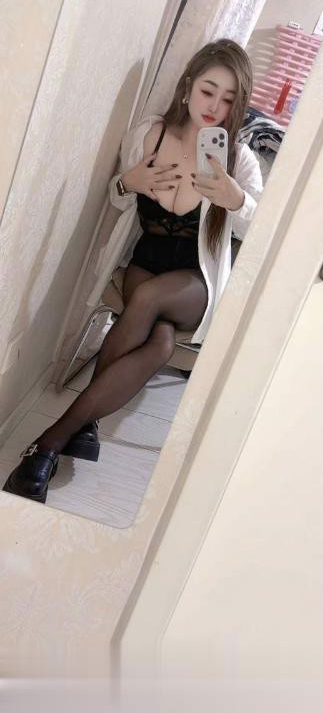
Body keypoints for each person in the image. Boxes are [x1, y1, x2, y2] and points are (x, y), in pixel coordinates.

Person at [3, 39, 263, 503]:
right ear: (188, 85)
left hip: (194, 282)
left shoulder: (237, 159)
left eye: (228, 99)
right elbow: (118, 199)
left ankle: (47, 444)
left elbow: (263, 228)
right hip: (145, 261)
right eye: (208, 91)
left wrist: (236, 200)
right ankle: (78, 431)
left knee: (146, 300)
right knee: (159, 343)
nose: (214, 106)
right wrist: (129, 182)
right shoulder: (151, 134)